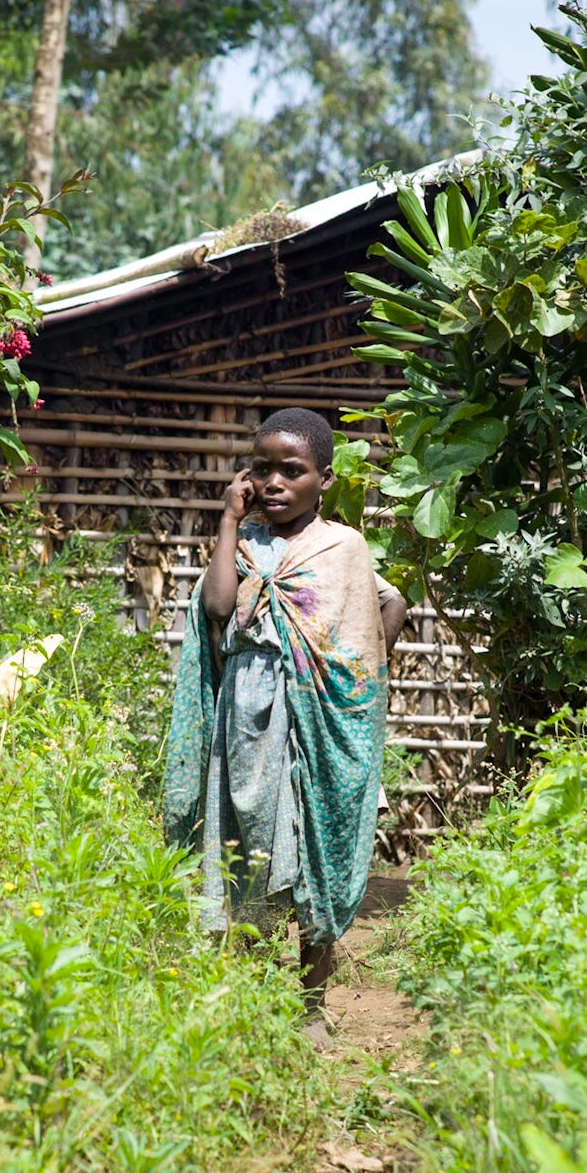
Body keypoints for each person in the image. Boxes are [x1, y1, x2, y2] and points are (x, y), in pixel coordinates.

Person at [162, 407, 407, 1046]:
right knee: (247, 845)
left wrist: (355, 676)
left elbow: (390, 601)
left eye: (291, 471)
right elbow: (217, 608)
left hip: (316, 717)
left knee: (311, 849)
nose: (273, 483)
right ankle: (246, 992)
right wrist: (225, 521)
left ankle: (311, 1002)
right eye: (262, 469)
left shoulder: (342, 545)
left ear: (323, 479)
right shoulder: (244, 544)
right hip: (243, 719)